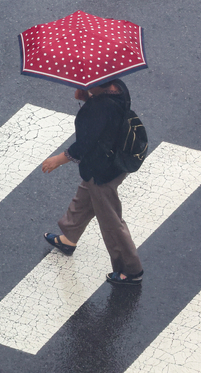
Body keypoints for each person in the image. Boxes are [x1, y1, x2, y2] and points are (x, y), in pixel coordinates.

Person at [41, 79, 143, 285]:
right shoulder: (118, 88)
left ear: (96, 84)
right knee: (86, 193)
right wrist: (89, 95)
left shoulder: (99, 107)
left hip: (102, 168)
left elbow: (85, 142)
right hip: (113, 161)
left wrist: (59, 160)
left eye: (86, 84)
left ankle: (131, 269)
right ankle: (69, 236)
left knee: (110, 220)